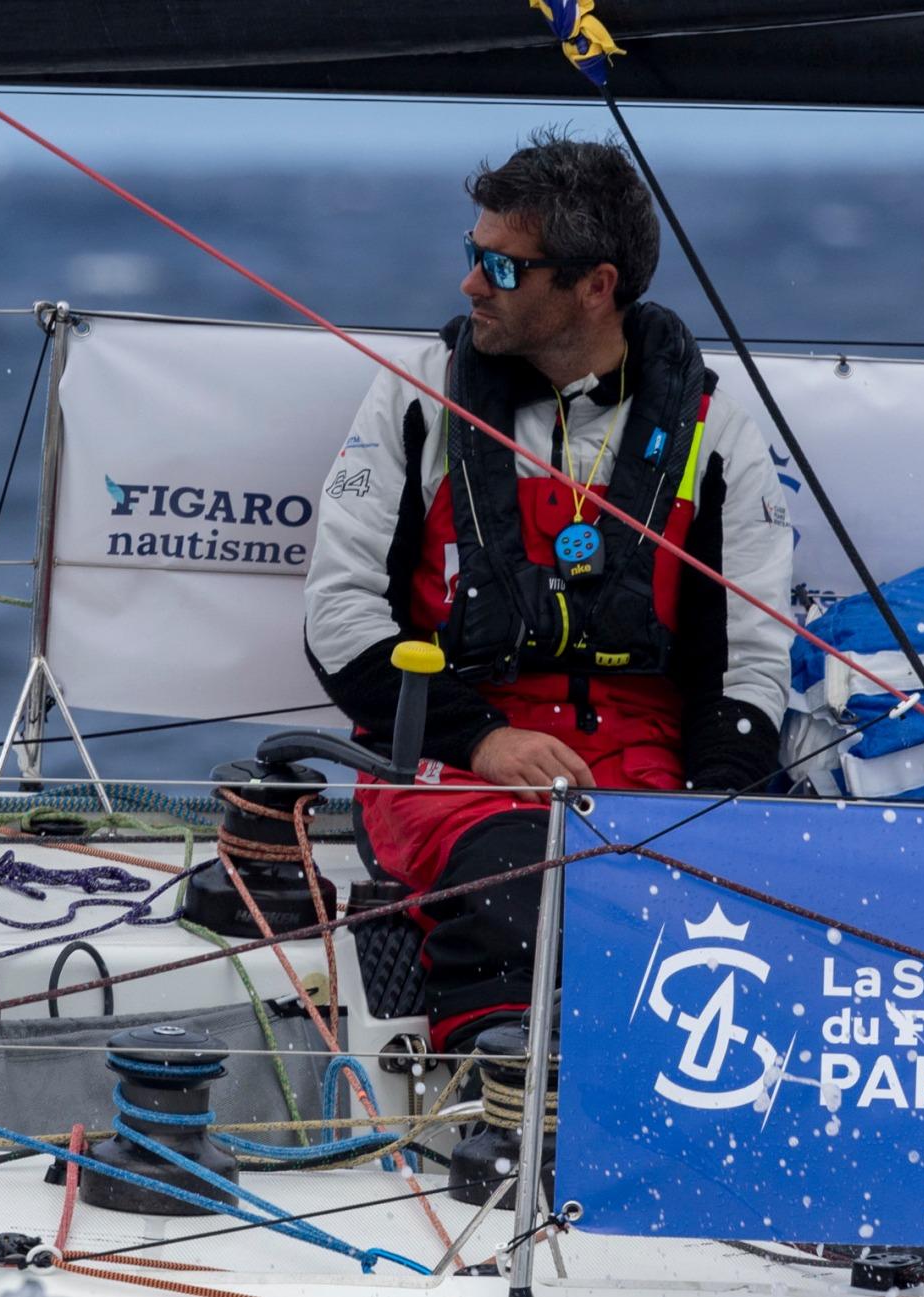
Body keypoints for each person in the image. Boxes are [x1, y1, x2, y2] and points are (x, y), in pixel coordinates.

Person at [302, 131, 795, 1053]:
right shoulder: (416, 401)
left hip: (643, 759)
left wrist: (719, 823)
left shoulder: (713, 427)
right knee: (517, 886)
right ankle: (499, 1110)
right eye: (471, 255)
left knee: (710, 905)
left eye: (501, 265)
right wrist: (483, 738)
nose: (471, 285)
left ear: (593, 286)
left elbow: (752, 661)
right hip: (454, 758)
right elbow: (339, 620)